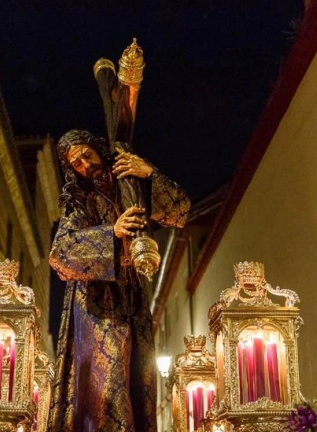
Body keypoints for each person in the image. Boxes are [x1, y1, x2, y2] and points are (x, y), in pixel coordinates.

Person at [48, 129, 190, 432]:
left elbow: (179, 212)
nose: (85, 165)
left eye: (87, 155)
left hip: (132, 297)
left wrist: (149, 173)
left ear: (98, 149)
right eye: (76, 163)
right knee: (107, 384)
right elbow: (60, 254)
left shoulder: (130, 183)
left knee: (136, 379)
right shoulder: (78, 201)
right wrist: (111, 232)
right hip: (95, 305)